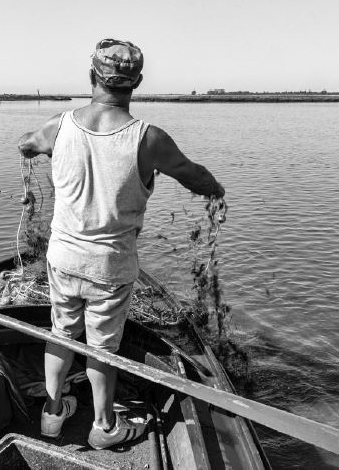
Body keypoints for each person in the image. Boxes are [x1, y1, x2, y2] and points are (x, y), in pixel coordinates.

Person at [17, 38, 224, 449]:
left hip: (62, 259)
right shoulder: (148, 139)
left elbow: (26, 143)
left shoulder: (60, 126)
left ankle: (53, 415)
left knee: (60, 333)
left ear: (92, 75)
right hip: (109, 268)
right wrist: (216, 188)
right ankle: (104, 426)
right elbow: (192, 174)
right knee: (102, 348)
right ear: (138, 83)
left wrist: (44, 151)